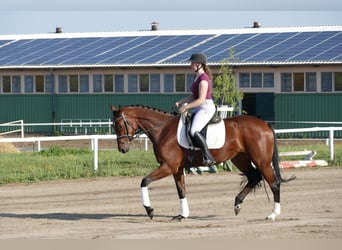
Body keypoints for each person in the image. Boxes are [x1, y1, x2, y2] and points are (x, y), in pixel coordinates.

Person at [175, 52, 216, 166]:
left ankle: (208, 156)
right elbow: (194, 95)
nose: (190, 65)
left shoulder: (203, 79)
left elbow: (201, 99)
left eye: (192, 63)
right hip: (198, 107)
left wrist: (186, 107)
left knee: (194, 130)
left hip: (205, 107)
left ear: (199, 65)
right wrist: (181, 102)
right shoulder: (196, 77)